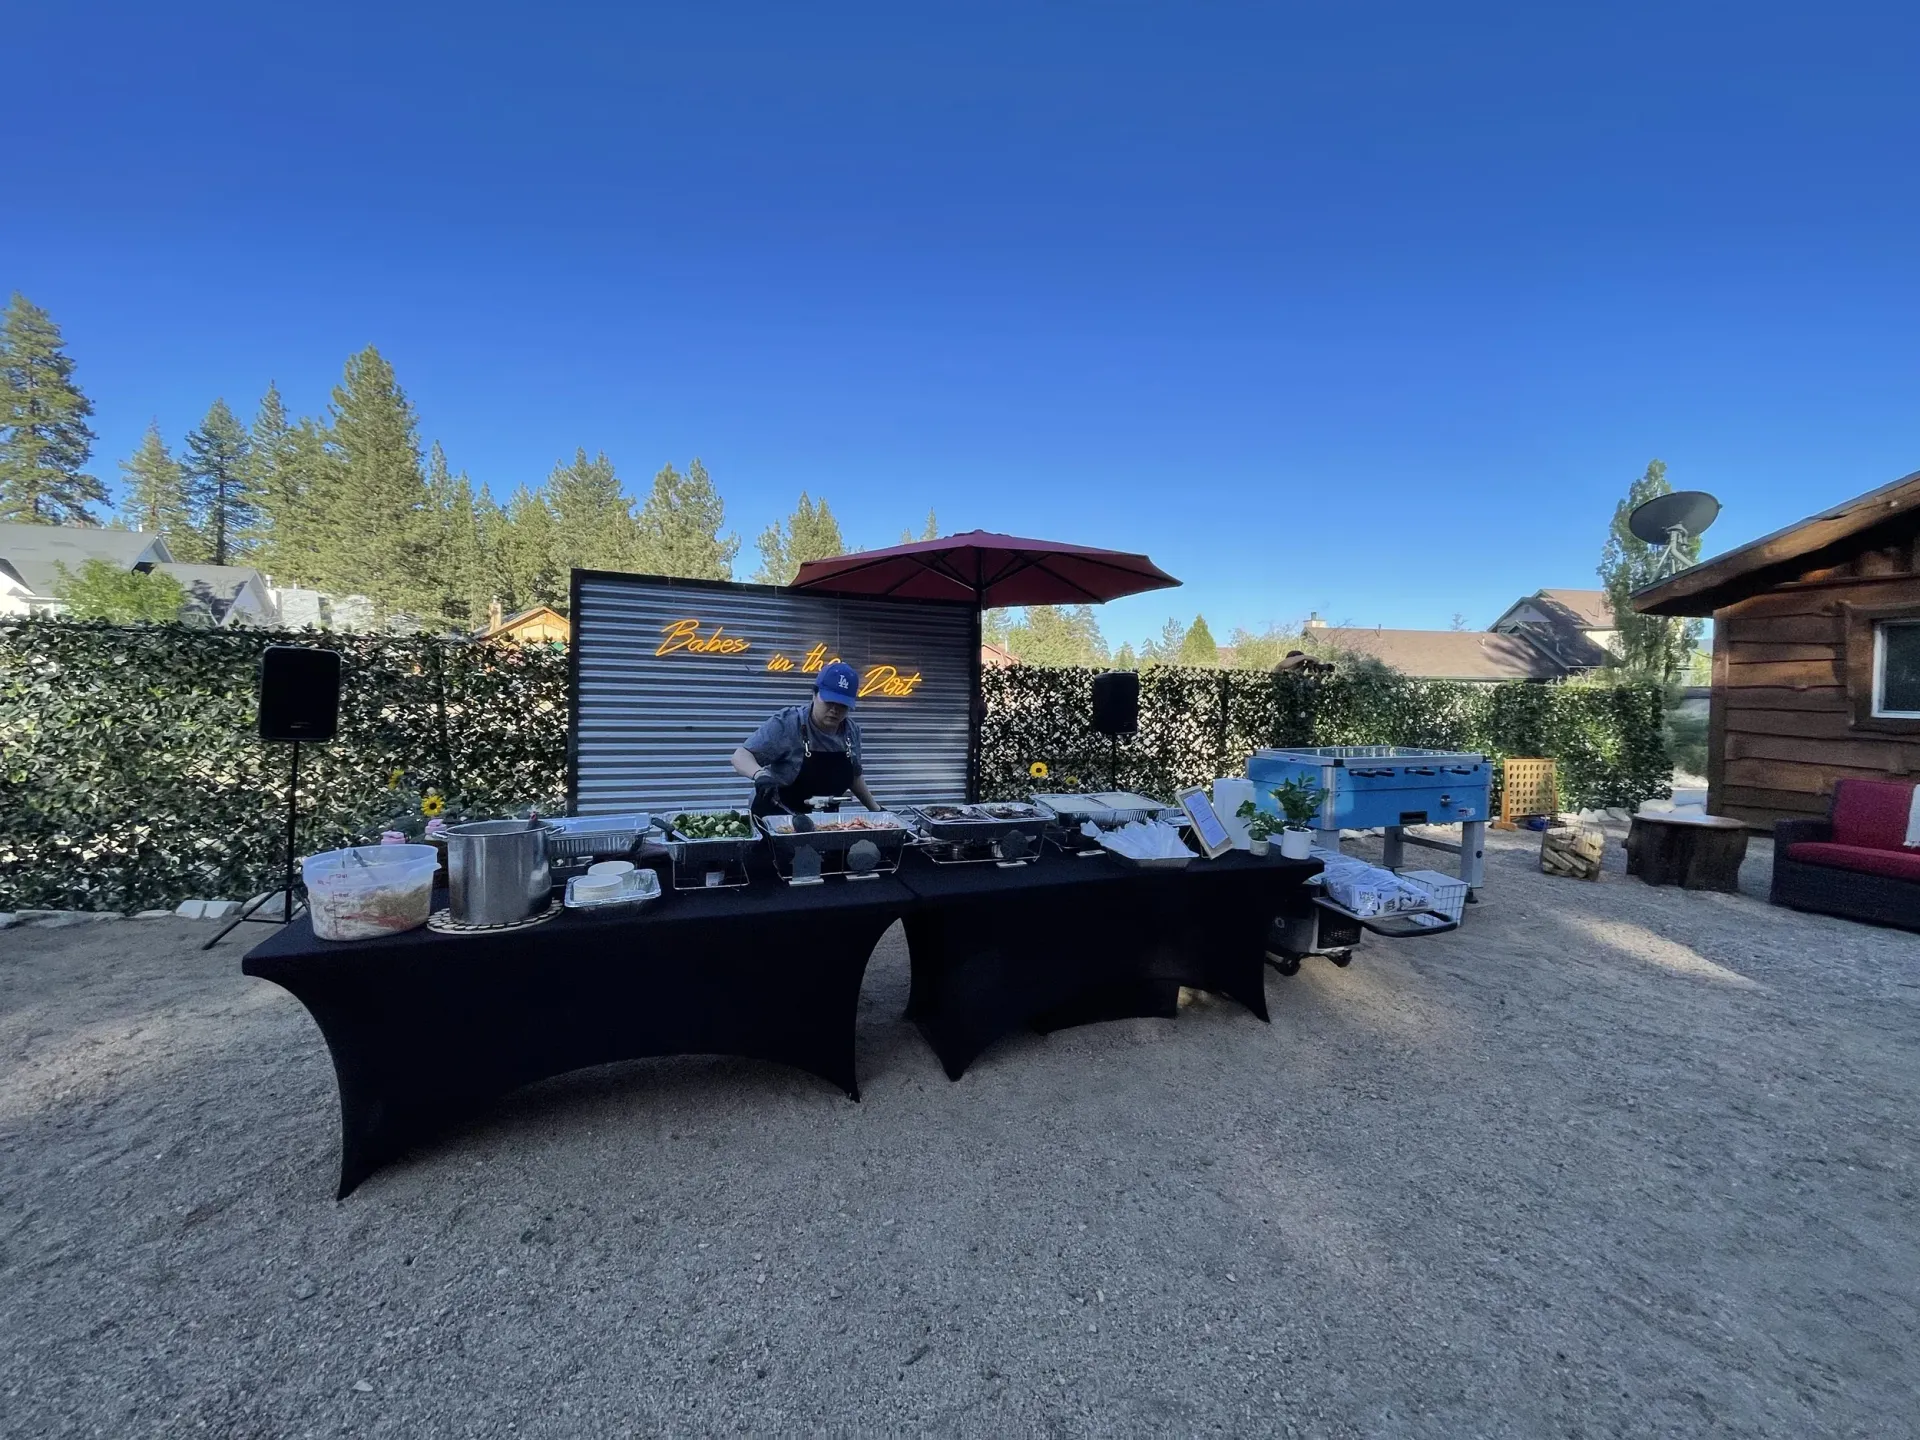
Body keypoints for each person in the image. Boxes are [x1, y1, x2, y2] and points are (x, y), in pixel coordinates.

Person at [731, 661, 885, 816]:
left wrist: (876, 810)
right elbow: (741, 756)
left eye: (842, 705)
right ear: (814, 694)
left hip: (823, 819)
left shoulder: (851, 731)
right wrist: (759, 775)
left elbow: (854, 776)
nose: (835, 710)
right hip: (776, 813)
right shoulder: (788, 723)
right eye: (829, 702)